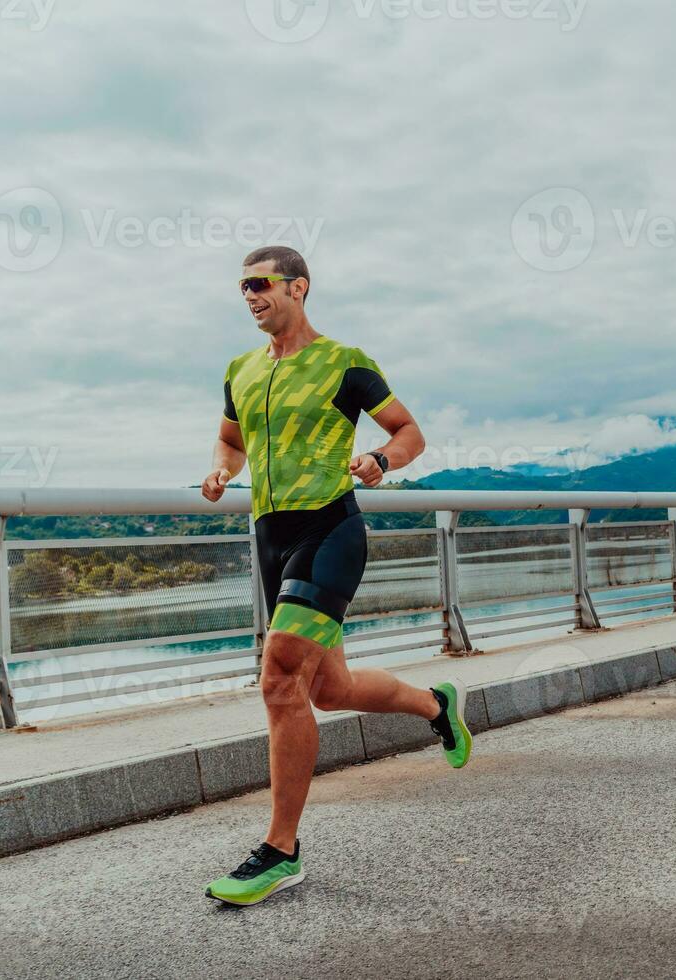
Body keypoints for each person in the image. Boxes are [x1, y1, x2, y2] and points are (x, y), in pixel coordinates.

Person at [200, 245, 472, 906]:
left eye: (260, 284)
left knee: (278, 675)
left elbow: (409, 431)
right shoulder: (239, 369)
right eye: (242, 287)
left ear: (298, 288)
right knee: (329, 688)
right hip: (271, 534)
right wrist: (221, 470)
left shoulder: (344, 363)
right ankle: (438, 707)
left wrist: (382, 458)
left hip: (330, 528)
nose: (250, 296)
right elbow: (232, 440)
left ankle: (280, 850)